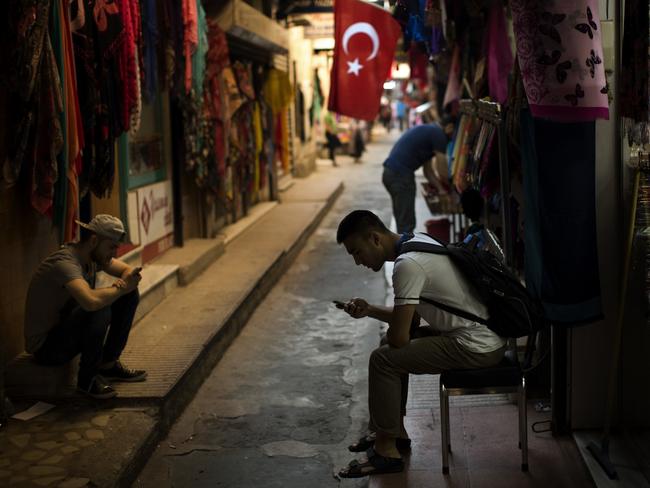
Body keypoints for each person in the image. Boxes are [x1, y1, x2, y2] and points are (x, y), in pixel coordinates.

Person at [334, 210, 506, 478]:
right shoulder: (417, 241)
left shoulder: (407, 265)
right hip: (483, 334)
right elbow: (410, 320)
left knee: (382, 359)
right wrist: (369, 310)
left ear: (374, 238)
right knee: (385, 345)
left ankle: (385, 451)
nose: (358, 262)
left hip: (476, 345)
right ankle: (394, 432)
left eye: (357, 252)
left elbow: (401, 336)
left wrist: (397, 331)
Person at [24, 214, 146, 400]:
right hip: (46, 348)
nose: (114, 253)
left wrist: (126, 284)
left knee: (128, 295)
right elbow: (90, 301)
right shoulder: (65, 263)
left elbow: (126, 270)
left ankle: (108, 364)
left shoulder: (92, 257)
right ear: (94, 240)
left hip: (65, 331)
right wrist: (120, 288)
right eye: (111, 247)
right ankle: (87, 380)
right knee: (98, 306)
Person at [382, 123, 449, 233]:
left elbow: (428, 172)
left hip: (389, 173)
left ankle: (401, 246)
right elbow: (442, 169)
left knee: (401, 218)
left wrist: (441, 189)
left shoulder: (430, 132)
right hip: (400, 176)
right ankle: (404, 248)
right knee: (406, 223)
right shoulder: (439, 135)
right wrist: (450, 185)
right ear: (450, 127)